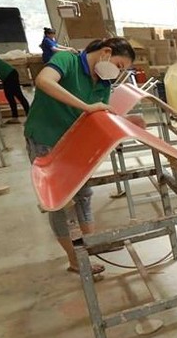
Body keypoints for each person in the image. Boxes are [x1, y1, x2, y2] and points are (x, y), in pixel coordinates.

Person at [24, 37, 136, 277]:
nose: (117, 73)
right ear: (106, 52)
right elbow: (43, 81)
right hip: (47, 138)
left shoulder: (103, 82)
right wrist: (86, 107)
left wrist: (124, 128)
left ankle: (90, 244)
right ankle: (75, 260)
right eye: (119, 65)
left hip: (75, 142)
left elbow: (99, 116)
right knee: (62, 203)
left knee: (84, 194)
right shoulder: (68, 60)